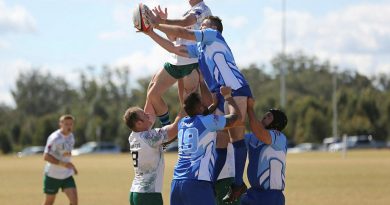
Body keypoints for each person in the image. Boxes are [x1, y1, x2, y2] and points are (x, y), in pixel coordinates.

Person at [143, 15, 252, 202]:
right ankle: (210, 182)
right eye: (201, 25)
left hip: (235, 88)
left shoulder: (212, 36)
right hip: (220, 93)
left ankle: (238, 183)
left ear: (214, 29)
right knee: (221, 139)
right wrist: (150, 32)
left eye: (205, 25)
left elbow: (181, 32)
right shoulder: (199, 48)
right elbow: (174, 48)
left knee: (236, 137)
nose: (201, 27)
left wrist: (155, 23)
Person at [143, 0, 212, 128]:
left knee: (188, 106)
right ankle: (165, 131)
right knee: (153, 93)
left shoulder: (202, 9)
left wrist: (160, 22)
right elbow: (173, 38)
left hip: (191, 61)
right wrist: (164, 21)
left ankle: (178, 134)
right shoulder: (188, 12)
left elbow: (186, 22)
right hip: (176, 59)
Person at [170, 86, 242, 205]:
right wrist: (228, 97)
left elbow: (201, 114)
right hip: (197, 182)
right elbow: (236, 118)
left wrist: (213, 105)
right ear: (199, 107)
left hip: (177, 183)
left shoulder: (182, 123)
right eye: (202, 105)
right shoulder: (207, 121)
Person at [123, 106, 185, 205]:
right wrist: (186, 107)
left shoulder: (133, 136)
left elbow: (150, 109)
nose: (148, 115)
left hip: (135, 192)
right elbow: (175, 128)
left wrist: (151, 93)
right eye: (144, 115)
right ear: (139, 123)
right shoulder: (149, 137)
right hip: (148, 195)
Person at [242, 98, 288, 205]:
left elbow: (259, 131)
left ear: (276, 123)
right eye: (265, 115)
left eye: (269, 116)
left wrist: (249, 108)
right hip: (253, 193)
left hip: (271, 195)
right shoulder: (253, 137)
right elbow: (236, 137)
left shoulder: (279, 137)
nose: (265, 116)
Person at [42, 115, 78, 205]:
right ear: (60, 124)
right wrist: (63, 164)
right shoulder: (54, 138)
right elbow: (46, 156)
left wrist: (71, 166)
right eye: (66, 124)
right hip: (52, 175)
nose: (69, 126)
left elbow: (66, 154)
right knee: (49, 202)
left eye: (71, 124)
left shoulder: (71, 137)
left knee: (74, 201)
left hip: (66, 175)